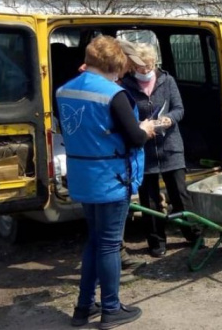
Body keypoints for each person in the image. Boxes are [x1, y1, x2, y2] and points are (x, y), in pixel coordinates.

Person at [57, 36, 155, 328]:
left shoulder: (64, 90)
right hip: (111, 178)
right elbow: (135, 138)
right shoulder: (115, 95)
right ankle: (111, 309)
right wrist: (146, 127)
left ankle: (83, 308)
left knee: (95, 241)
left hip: (83, 177)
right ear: (116, 64)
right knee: (110, 245)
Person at [119, 42, 197, 258]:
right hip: (144, 149)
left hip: (171, 146)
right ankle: (156, 242)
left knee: (180, 194)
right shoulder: (126, 85)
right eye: (140, 67)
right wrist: (140, 126)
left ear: (155, 62)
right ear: (133, 66)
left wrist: (169, 119)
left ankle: (193, 233)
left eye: (149, 65)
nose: (145, 70)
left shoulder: (167, 80)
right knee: (150, 199)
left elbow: (179, 109)